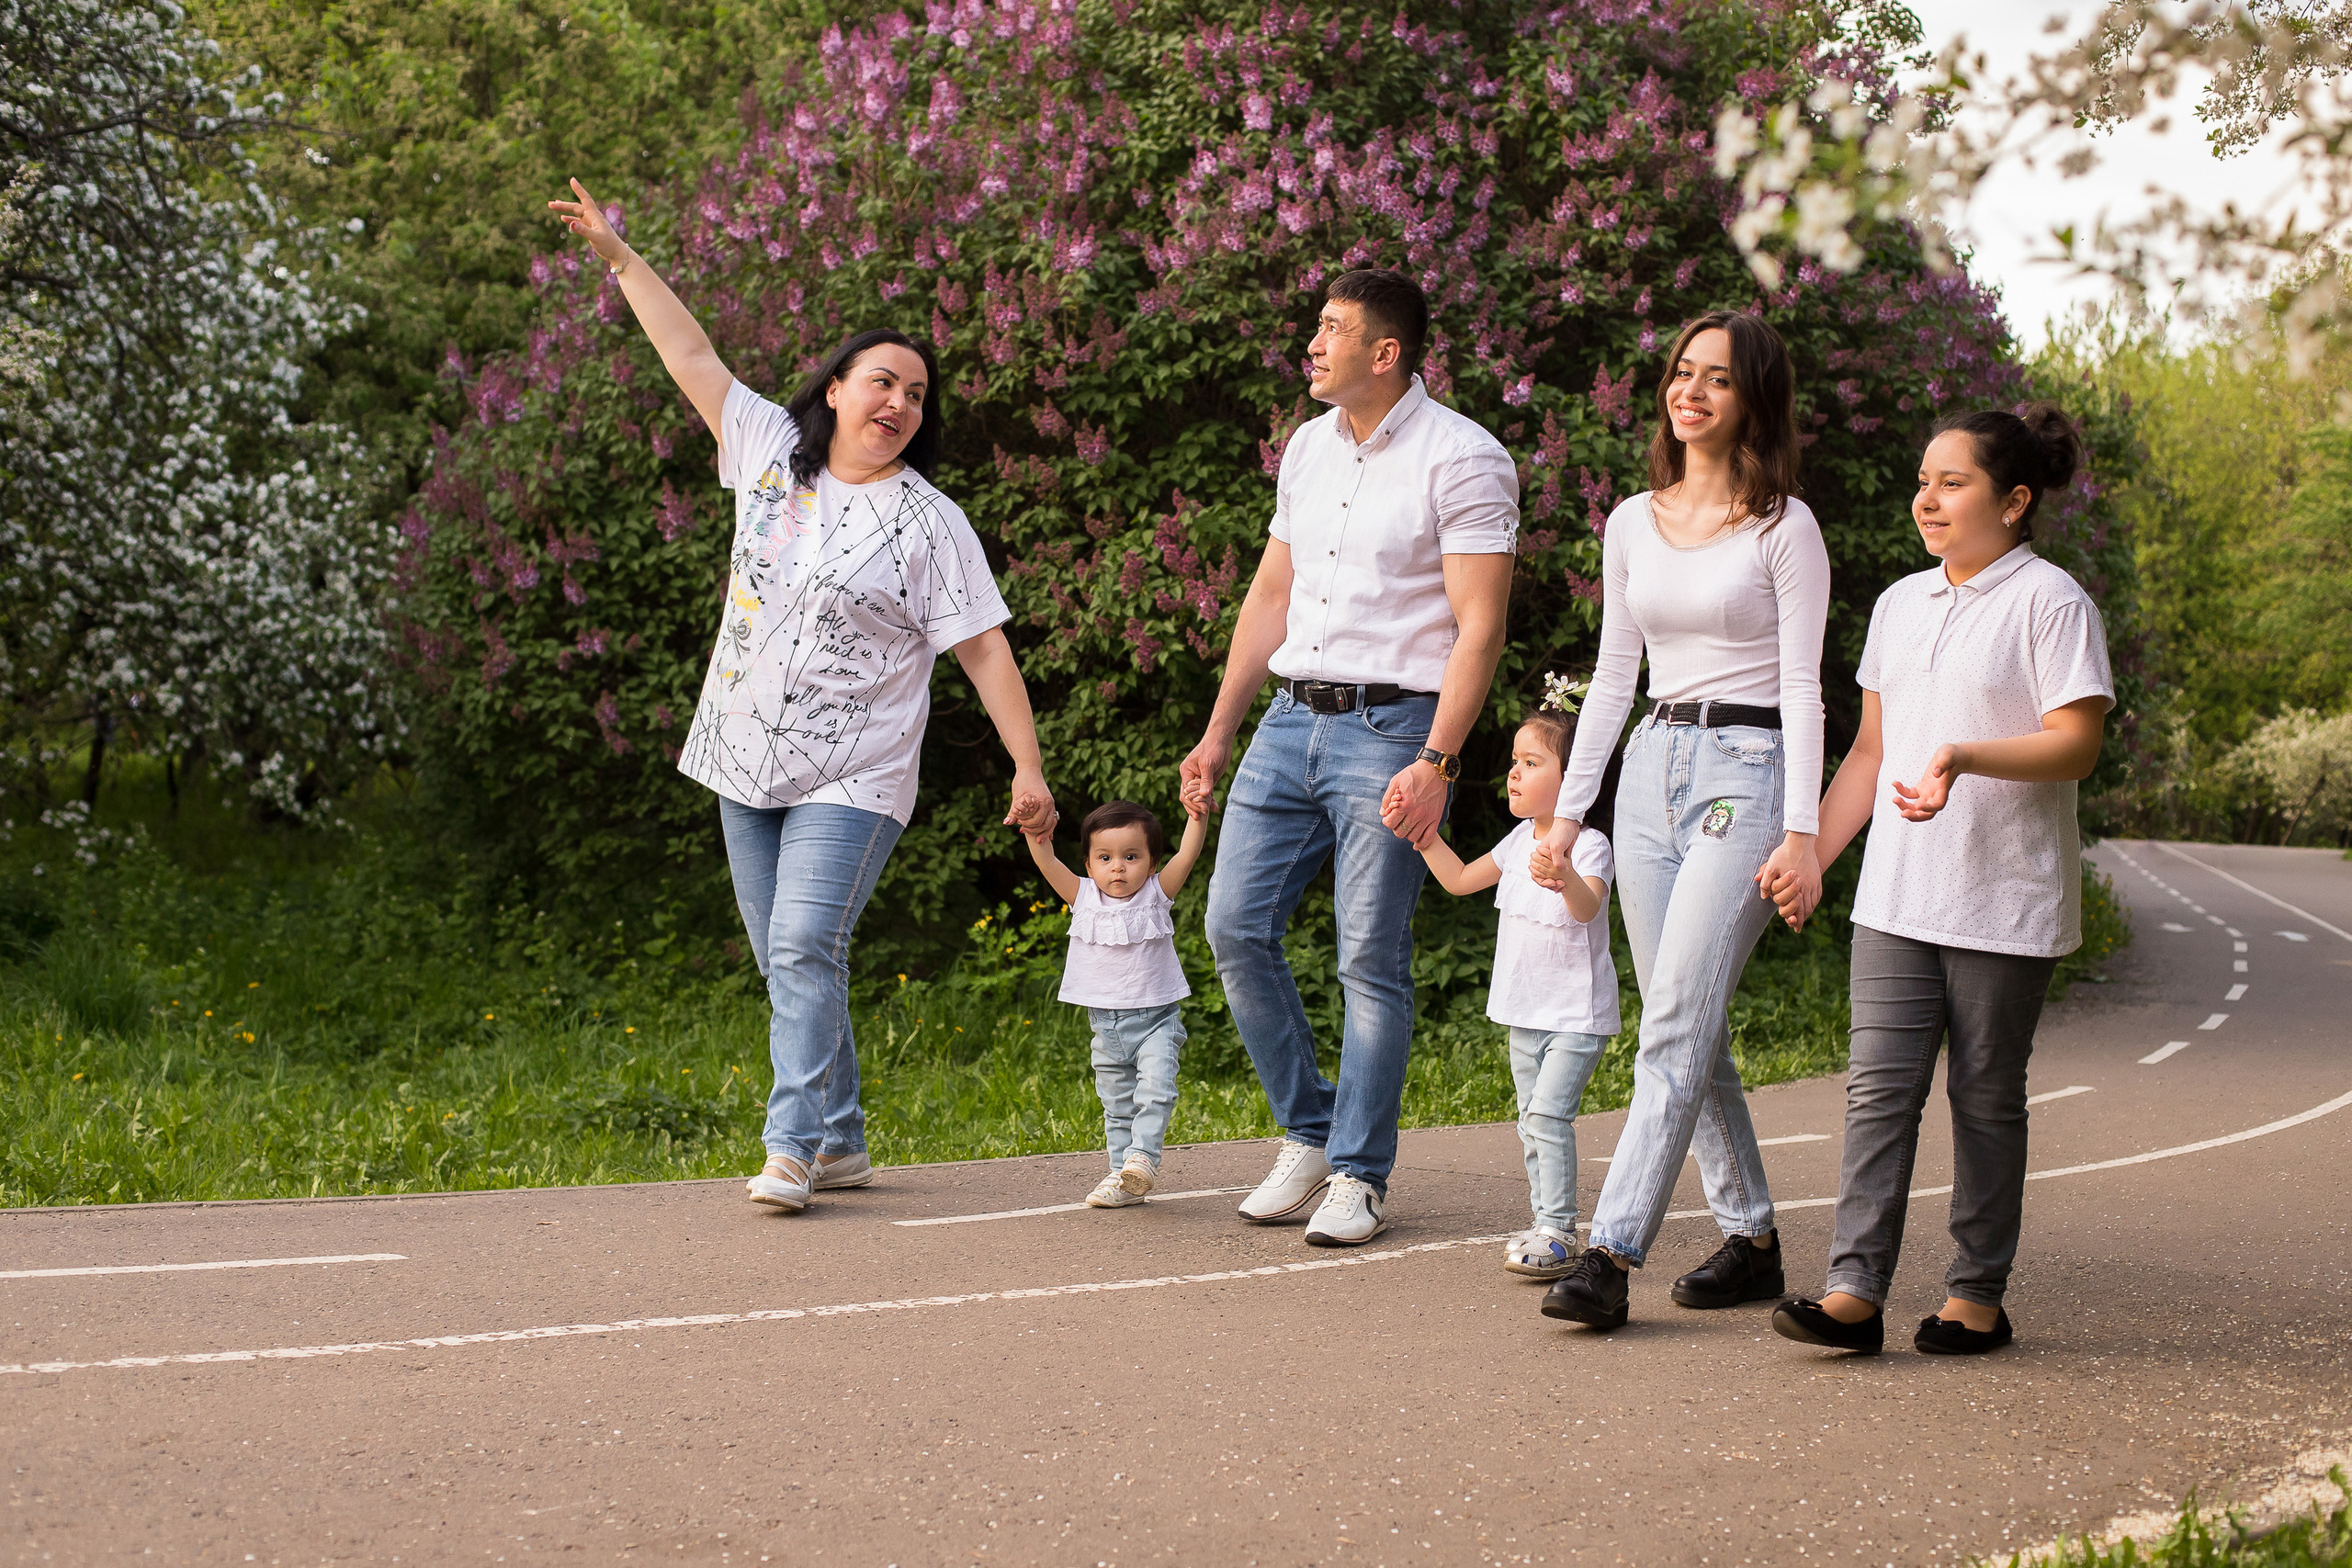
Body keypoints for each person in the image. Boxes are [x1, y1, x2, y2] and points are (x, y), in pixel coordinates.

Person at [548, 178, 1055, 1216]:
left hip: (856, 770)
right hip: (742, 754)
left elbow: (986, 653)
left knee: (803, 946)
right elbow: (689, 355)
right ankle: (845, 1140)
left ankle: (790, 1150)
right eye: (883, 382)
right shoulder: (770, 458)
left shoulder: (929, 523)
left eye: (916, 395)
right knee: (789, 964)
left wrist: (1030, 767)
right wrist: (616, 252)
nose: (900, 405)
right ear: (835, 388)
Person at [1181, 267, 1517, 1247]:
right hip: (1289, 720)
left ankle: (1359, 1176)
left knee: (1369, 956)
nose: (1312, 343)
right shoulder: (1306, 450)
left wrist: (1440, 760)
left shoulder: (1463, 458)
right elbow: (1267, 597)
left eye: (1332, 329)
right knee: (1233, 926)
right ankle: (1312, 1130)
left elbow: (1480, 627)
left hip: (1394, 732)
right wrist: (1217, 728)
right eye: (1313, 326)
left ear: (1387, 352)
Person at [1767, 405, 2111, 1357]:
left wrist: (1964, 756)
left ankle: (1974, 1296)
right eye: (1923, 480)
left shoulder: (2049, 602)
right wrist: (1811, 852)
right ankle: (1851, 1289)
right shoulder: (1898, 604)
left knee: (1986, 1095)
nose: (1927, 497)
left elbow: (2075, 746)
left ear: (2013, 500)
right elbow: (1871, 753)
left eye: (1951, 482)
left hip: (2004, 896)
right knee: (1878, 1091)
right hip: (1897, 895)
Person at [1532, 310, 1829, 1332]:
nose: (1690, 391)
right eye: (1679, 373)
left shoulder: (1783, 526)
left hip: (1748, 772)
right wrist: (1571, 814)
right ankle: (1750, 1238)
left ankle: (1609, 1255)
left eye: (1716, 378)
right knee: (1685, 1017)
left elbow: (1804, 685)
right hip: (1651, 764)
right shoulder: (1629, 519)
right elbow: (1616, 672)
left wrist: (1804, 834)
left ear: (1752, 398)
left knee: (1671, 1022)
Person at [1408, 681, 1621, 1279]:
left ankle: (1557, 1229)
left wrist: (1563, 875)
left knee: (1548, 1117)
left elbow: (1587, 908)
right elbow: (1457, 879)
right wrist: (1423, 835)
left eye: (1532, 762)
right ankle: (1545, 1221)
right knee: (1530, 1121)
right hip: (1523, 1013)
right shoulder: (1518, 838)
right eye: (1513, 762)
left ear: (1575, 778)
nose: (1514, 773)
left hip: (1575, 1015)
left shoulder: (1589, 845)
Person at [1022, 799, 1209, 1209]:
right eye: (1105, 857)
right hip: (1104, 1027)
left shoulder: (1158, 894)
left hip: (1157, 1021)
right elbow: (1046, 860)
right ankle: (1120, 1176)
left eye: (1131, 856)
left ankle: (1142, 1158)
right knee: (1116, 1103)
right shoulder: (1082, 895)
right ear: (1089, 865)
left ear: (1152, 863)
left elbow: (1188, 852)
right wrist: (1034, 828)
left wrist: (1198, 816)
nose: (1118, 867)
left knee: (1156, 1090)